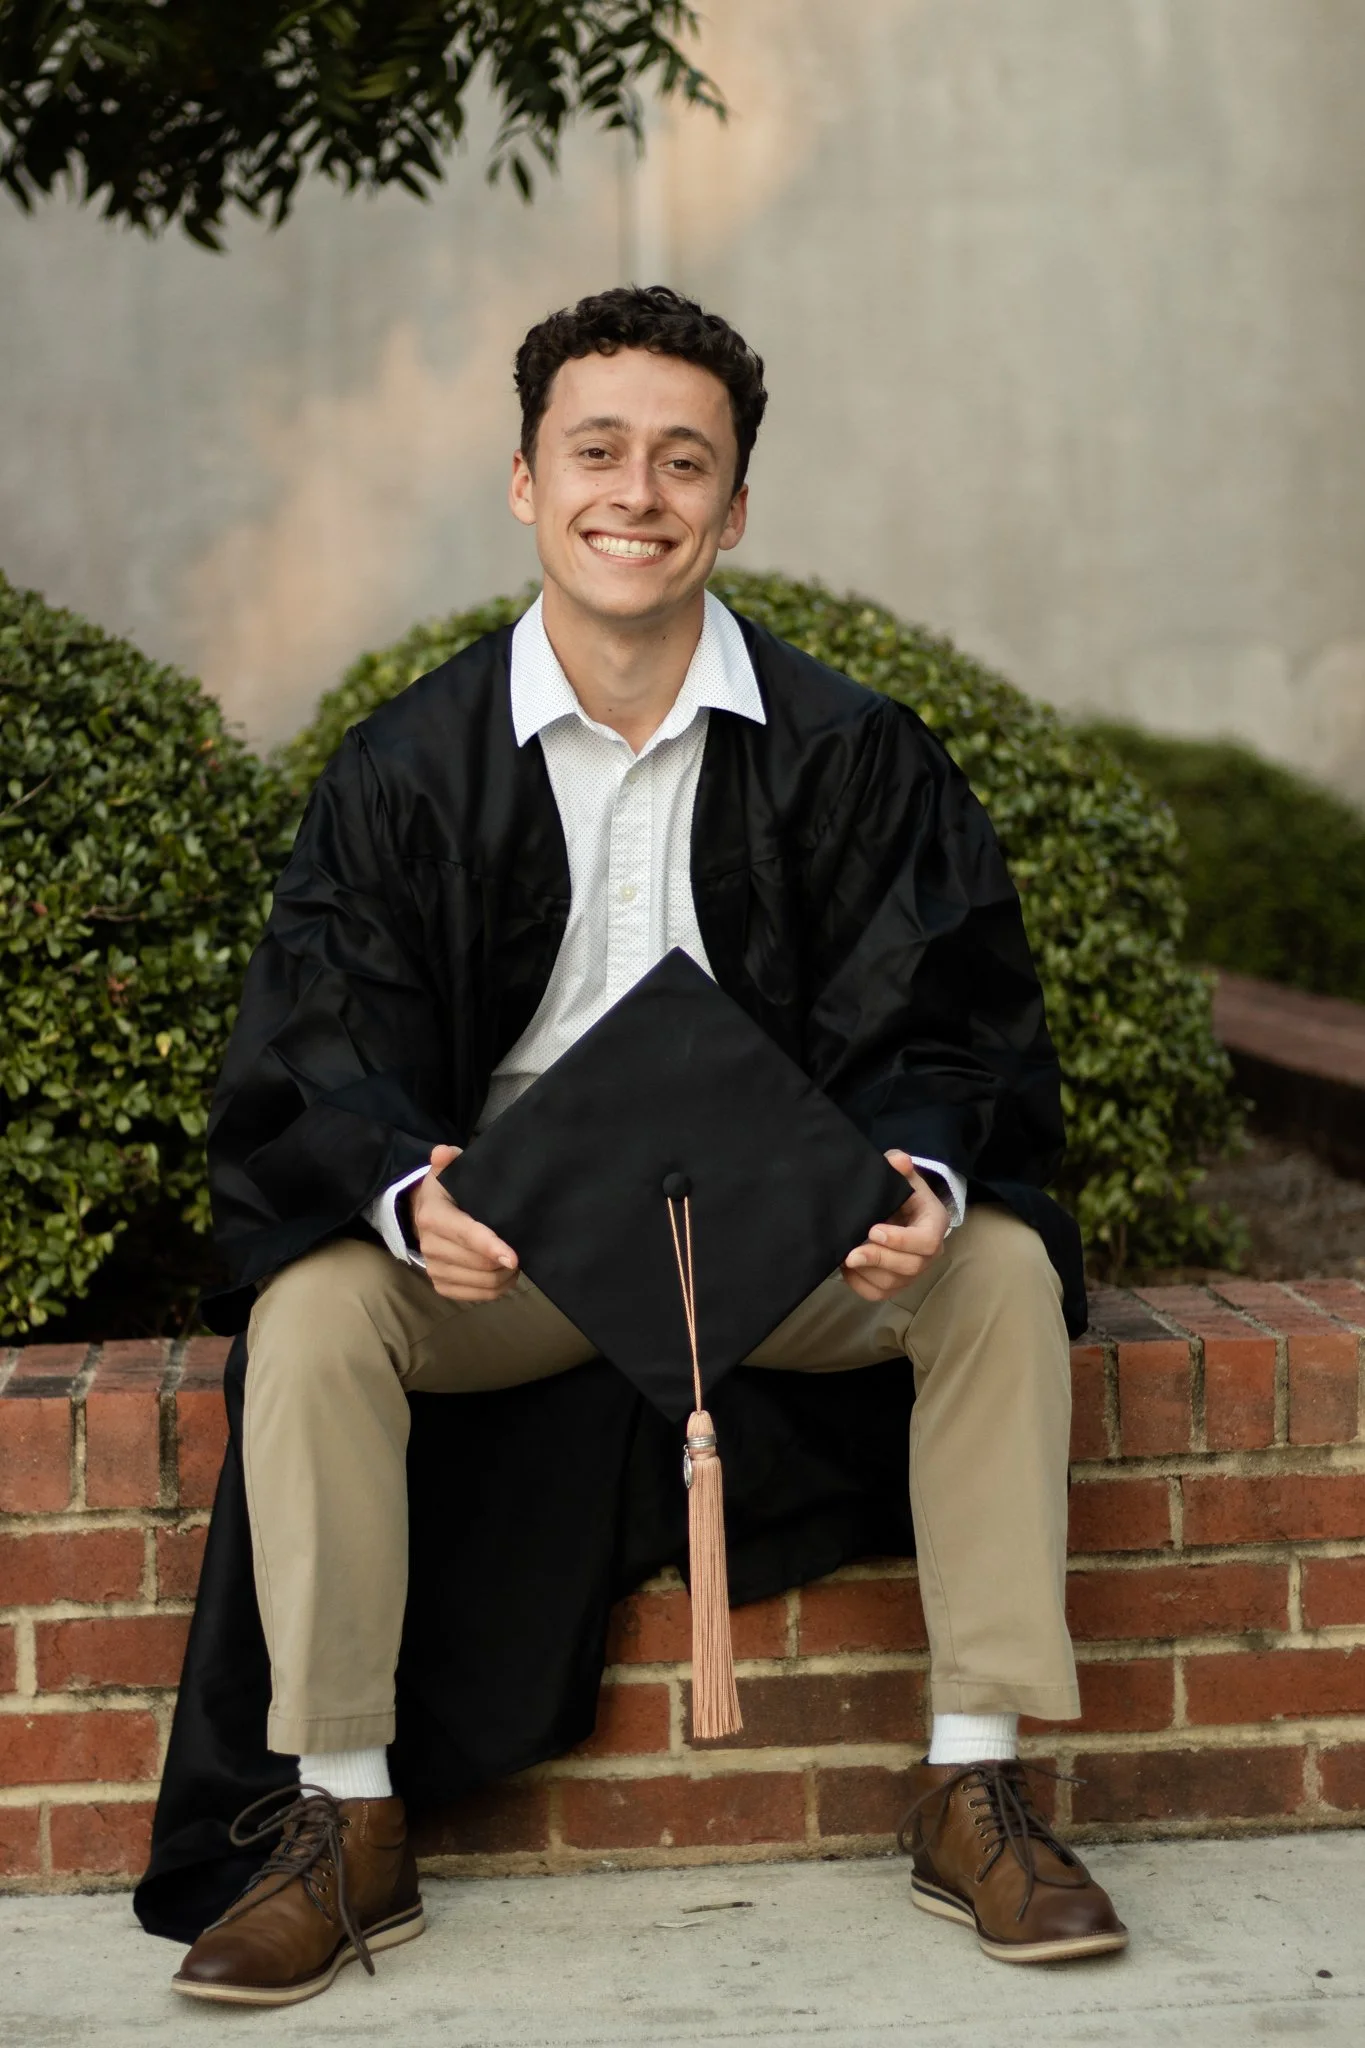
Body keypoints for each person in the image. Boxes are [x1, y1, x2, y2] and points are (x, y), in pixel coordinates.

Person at [171, 285, 1126, 2006]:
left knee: (992, 1266)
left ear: (738, 506)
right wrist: (406, 1198)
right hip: (523, 1246)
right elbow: (317, 1051)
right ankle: (344, 1818)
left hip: (783, 1234)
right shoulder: (411, 769)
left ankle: (974, 1777)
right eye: (595, 450)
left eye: (686, 461)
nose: (640, 491)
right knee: (316, 1311)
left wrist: (912, 1170)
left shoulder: (849, 752)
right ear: (525, 482)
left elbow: (947, 1019)